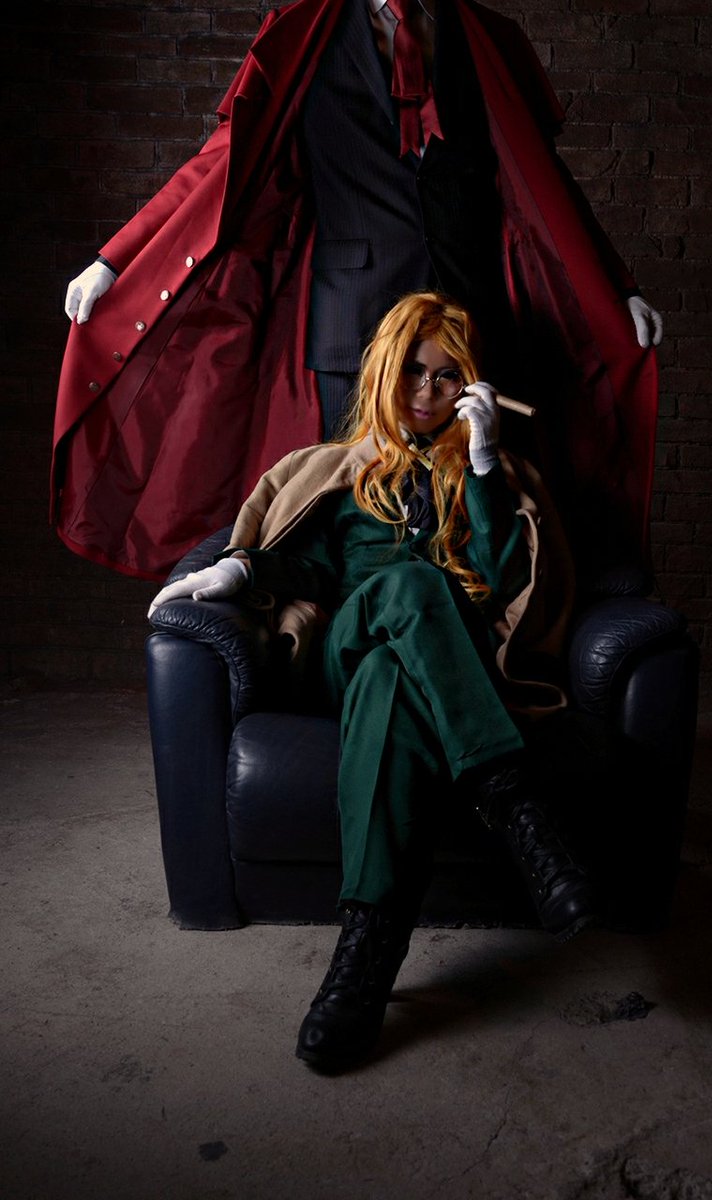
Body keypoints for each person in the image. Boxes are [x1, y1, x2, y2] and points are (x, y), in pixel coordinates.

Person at [55, 0, 662, 583]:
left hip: (468, 321)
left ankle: (453, 631)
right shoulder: (300, 33)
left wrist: (618, 288)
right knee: (349, 500)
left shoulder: (491, 39)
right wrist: (117, 261)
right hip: (351, 322)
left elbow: (545, 181)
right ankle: (349, 635)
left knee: (469, 496)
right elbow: (220, 164)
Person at [148, 292, 594, 1072]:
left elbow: (503, 587)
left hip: (430, 673)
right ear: (386, 372)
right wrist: (238, 569)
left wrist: (481, 464)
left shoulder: (491, 473)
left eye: (447, 376)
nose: (427, 392)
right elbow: (307, 568)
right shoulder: (336, 472)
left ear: (468, 384)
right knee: (409, 589)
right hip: (342, 654)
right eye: (414, 371)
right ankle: (515, 806)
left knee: (395, 674)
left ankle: (365, 956)